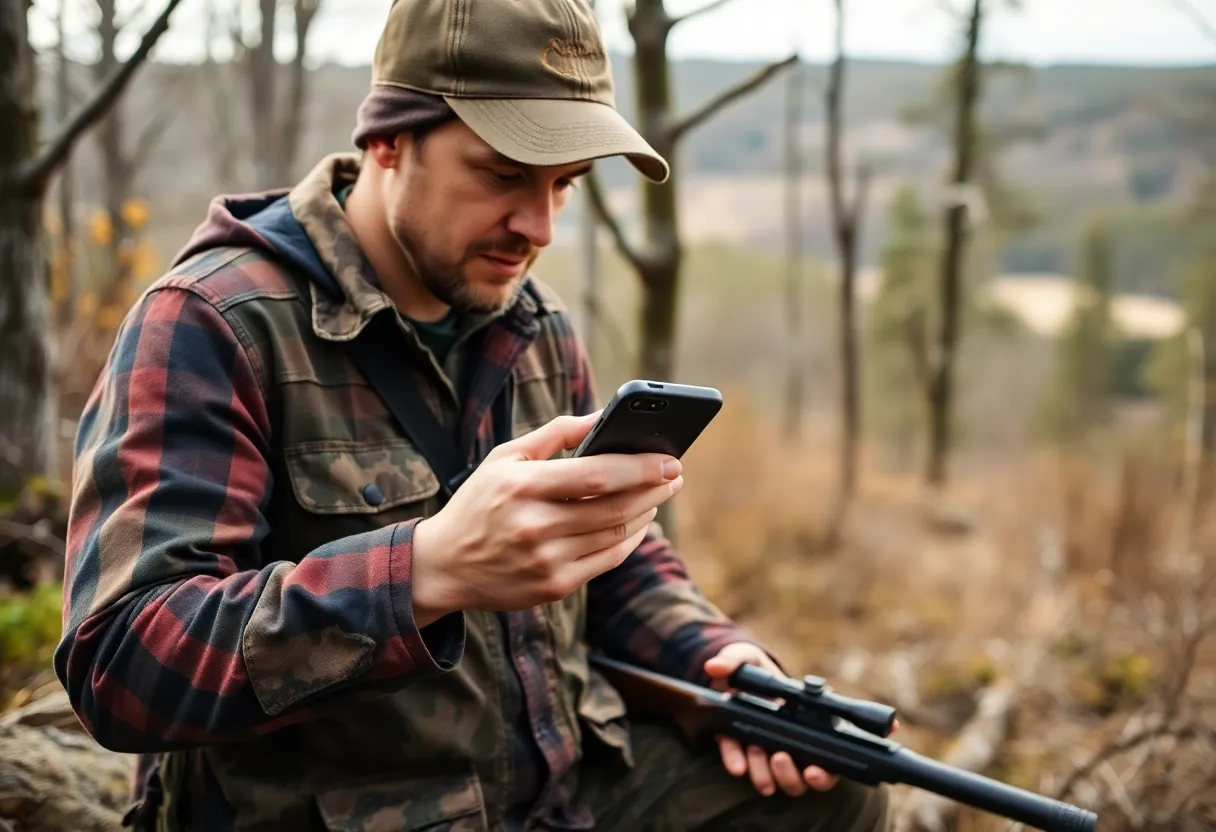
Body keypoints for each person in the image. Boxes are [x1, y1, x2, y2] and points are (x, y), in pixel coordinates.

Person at [54, 0, 891, 829]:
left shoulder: (535, 325)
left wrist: (717, 660)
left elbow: (619, 564)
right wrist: (421, 573)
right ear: (387, 140)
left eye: (565, 185)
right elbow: (124, 662)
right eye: (502, 175)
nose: (541, 228)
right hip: (345, 815)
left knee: (837, 793)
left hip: (561, 798)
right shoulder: (214, 324)